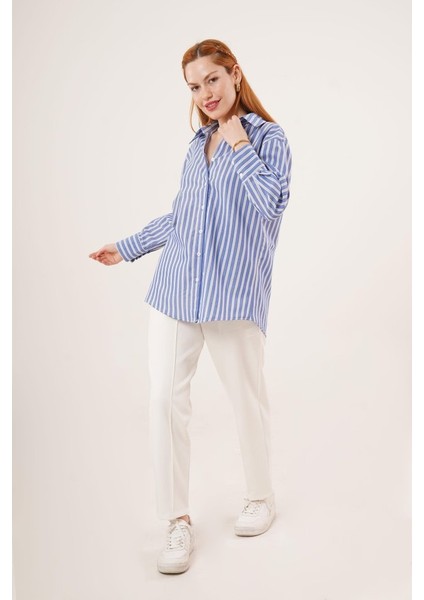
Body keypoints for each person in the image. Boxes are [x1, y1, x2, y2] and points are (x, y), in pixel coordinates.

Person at [89, 38, 292, 575]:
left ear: (235, 74)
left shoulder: (268, 138)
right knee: (163, 400)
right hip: (176, 289)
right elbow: (184, 217)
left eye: (212, 80)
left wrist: (239, 142)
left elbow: (271, 203)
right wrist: (128, 246)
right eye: (195, 86)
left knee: (246, 400)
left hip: (231, 296)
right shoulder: (196, 143)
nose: (205, 94)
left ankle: (261, 495)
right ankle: (176, 519)